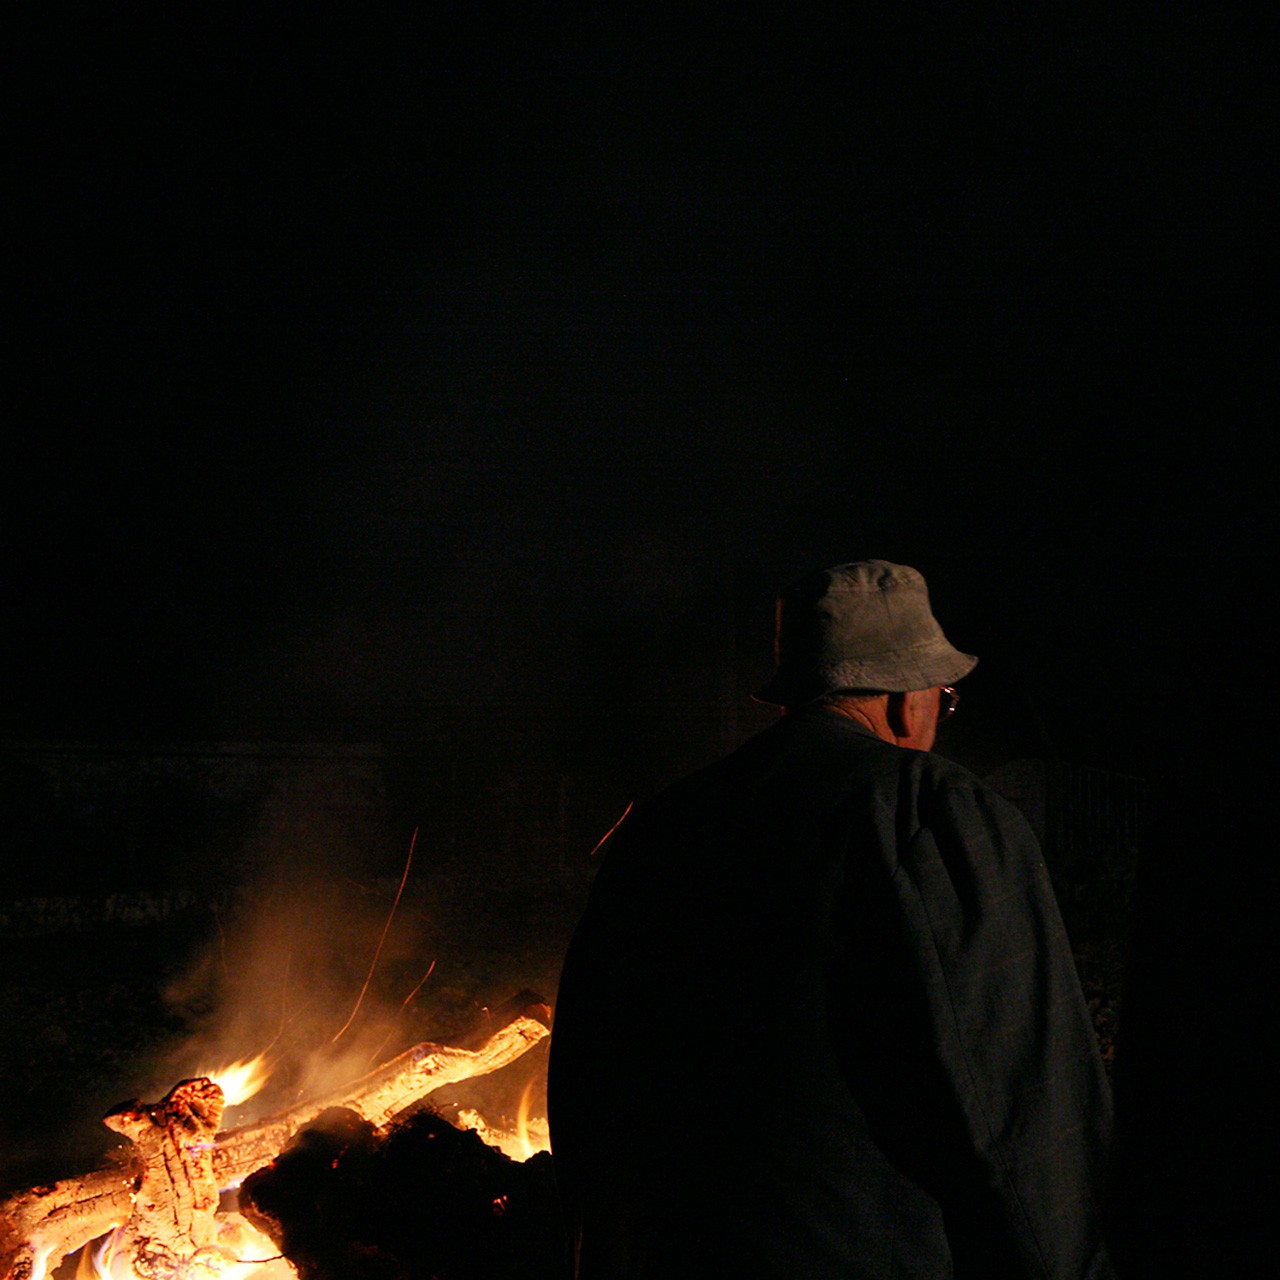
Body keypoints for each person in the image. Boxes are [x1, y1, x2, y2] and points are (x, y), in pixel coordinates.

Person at [548, 560, 1115, 1278]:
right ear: (910, 702)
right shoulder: (926, 810)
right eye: (943, 699)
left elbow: (584, 1077)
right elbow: (1021, 1095)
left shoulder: (663, 827)